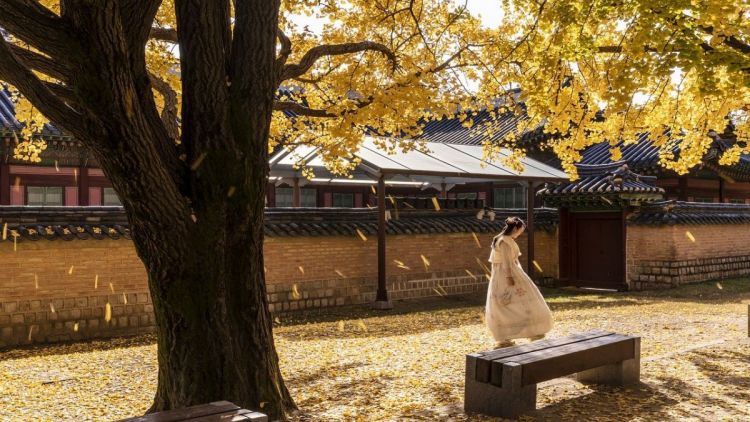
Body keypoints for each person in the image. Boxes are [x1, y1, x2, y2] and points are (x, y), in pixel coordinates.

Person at [485, 216, 553, 348]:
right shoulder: (504, 241)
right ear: (516, 228)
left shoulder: (505, 239)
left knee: (516, 302)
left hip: (509, 272)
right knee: (509, 302)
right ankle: (511, 335)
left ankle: (531, 331)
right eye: (521, 230)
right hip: (506, 274)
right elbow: (506, 261)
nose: (521, 233)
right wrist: (510, 277)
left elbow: (513, 260)